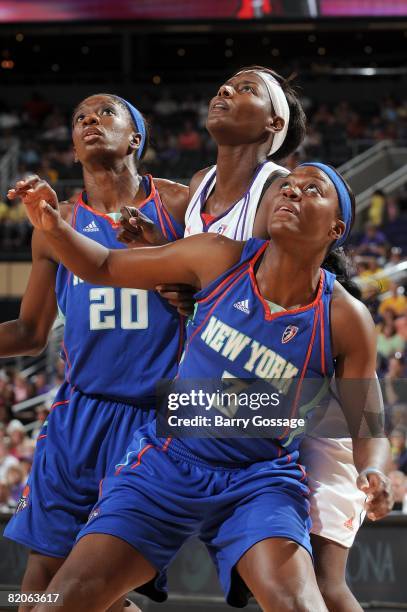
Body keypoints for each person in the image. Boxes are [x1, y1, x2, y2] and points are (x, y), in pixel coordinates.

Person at [21, 162, 392, 612]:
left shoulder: (345, 317)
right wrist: (55, 227)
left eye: (311, 190)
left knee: (301, 603)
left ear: (336, 227)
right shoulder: (218, 256)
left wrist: (373, 471)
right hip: (169, 462)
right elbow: (102, 263)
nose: (291, 193)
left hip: (258, 478)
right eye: (286, 187)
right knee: (59, 600)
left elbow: (368, 423)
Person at [119, 66, 388, 611]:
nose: (223, 90)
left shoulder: (276, 191)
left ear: (275, 123)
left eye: (246, 89)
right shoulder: (200, 186)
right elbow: (207, 282)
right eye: (225, 84)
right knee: (94, 572)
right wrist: (155, 247)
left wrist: (375, 464)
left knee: (320, 585)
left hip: (300, 402)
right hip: (233, 405)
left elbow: (279, 283)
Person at [3, 93, 189, 611]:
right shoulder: (53, 223)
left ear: (136, 137)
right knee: (34, 586)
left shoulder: (177, 206)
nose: (90, 120)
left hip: (152, 420)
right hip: (76, 417)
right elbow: (29, 331)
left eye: (105, 112)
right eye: (80, 117)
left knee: (97, 586)